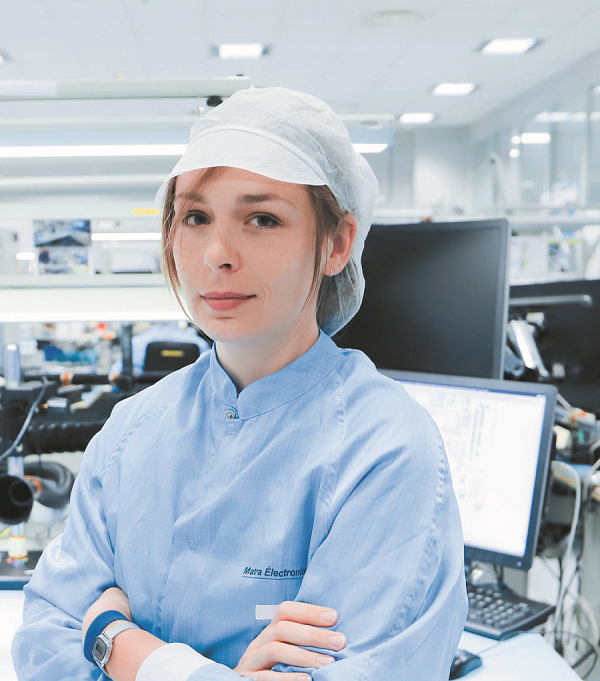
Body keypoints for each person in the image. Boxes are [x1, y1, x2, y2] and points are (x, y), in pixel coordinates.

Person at [11, 86, 468, 681]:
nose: (217, 254)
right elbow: (44, 640)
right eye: (196, 217)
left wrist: (114, 640)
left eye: (262, 218)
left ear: (336, 243)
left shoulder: (385, 450)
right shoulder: (132, 430)